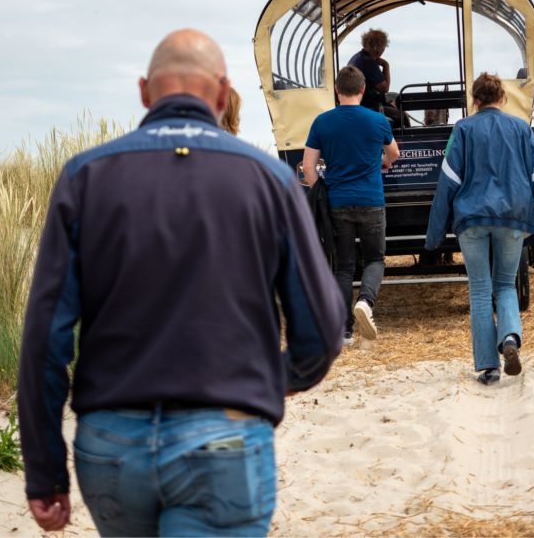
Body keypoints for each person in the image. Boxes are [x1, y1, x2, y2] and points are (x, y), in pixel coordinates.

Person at [17, 29, 345, 537]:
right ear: (221, 93)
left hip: (111, 444)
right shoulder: (269, 181)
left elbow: (43, 341)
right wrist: (270, 380)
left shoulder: (85, 177)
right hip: (225, 437)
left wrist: (44, 471)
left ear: (146, 91)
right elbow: (322, 331)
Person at [424, 72, 534, 385]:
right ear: (502, 99)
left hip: (471, 220)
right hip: (513, 218)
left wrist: (434, 235)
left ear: (475, 100)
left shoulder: (463, 129)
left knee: (480, 291)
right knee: (506, 285)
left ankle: (489, 367)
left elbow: (449, 182)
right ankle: (509, 338)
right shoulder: (521, 130)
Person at [302, 65, 400, 344]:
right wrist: (382, 163)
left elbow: (309, 167)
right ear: (363, 89)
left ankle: (344, 331)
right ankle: (366, 303)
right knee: (374, 259)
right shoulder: (377, 121)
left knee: (343, 266)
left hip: (337, 202)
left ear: (336, 90)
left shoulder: (322, 122)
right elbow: (394, 154)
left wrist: (319, 192)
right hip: (371, 200)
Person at [348, 28, 403, 128]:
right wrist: (386, 65)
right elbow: (385, 88)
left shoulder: (356, 57)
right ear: (378, 49)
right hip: (367, 106)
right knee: (401, 116)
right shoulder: (368, 62)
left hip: (359, 104)